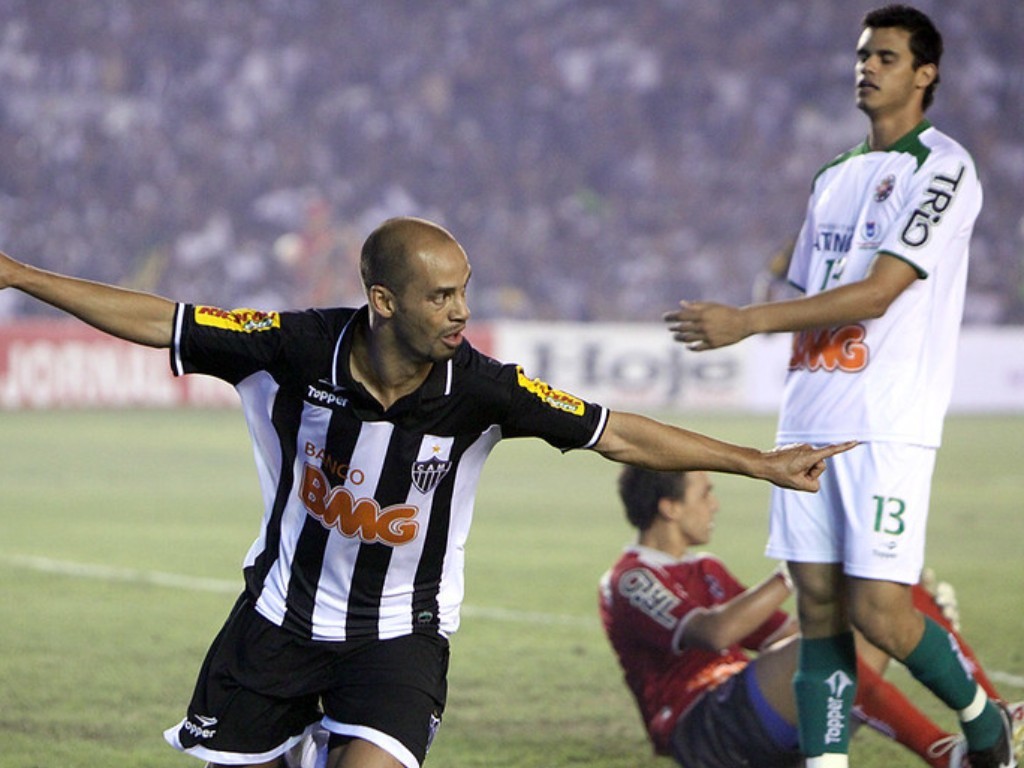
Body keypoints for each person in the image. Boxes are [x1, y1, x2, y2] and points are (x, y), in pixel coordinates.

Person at [0, 216, 854, 768]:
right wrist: (18, 273)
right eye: (441, 295)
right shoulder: (296, 347)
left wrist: (762, 461)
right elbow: (163, 319)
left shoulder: (482, 387)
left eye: (465, 291)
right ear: (381, 300)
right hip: (276, 626)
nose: (460, 311)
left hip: (398, 639)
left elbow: (618, 430)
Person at [664, 6, 1014, 768]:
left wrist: (748, 319)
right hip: (809, 414)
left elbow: (881, 291)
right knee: (819, 614)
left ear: (926, 74)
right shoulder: (833, 176)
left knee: (882, 612)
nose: (868, 67)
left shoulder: (943, 166)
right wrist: (771, 287)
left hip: (885, 419)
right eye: (863, 55)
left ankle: (987, 729)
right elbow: (807, 278)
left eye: (886, 56)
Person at [599, 466, 1021, 768]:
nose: (715, 504)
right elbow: (715, 632)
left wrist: (899, 622)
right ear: (669, 507)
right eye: (704, 493)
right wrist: (797, 567)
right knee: (817, 654)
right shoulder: (633, 578)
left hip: (756, 712)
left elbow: (786, 632)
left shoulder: (705, 568)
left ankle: (997, 714)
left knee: (884, 598)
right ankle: (946, 754)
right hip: (703, 728)